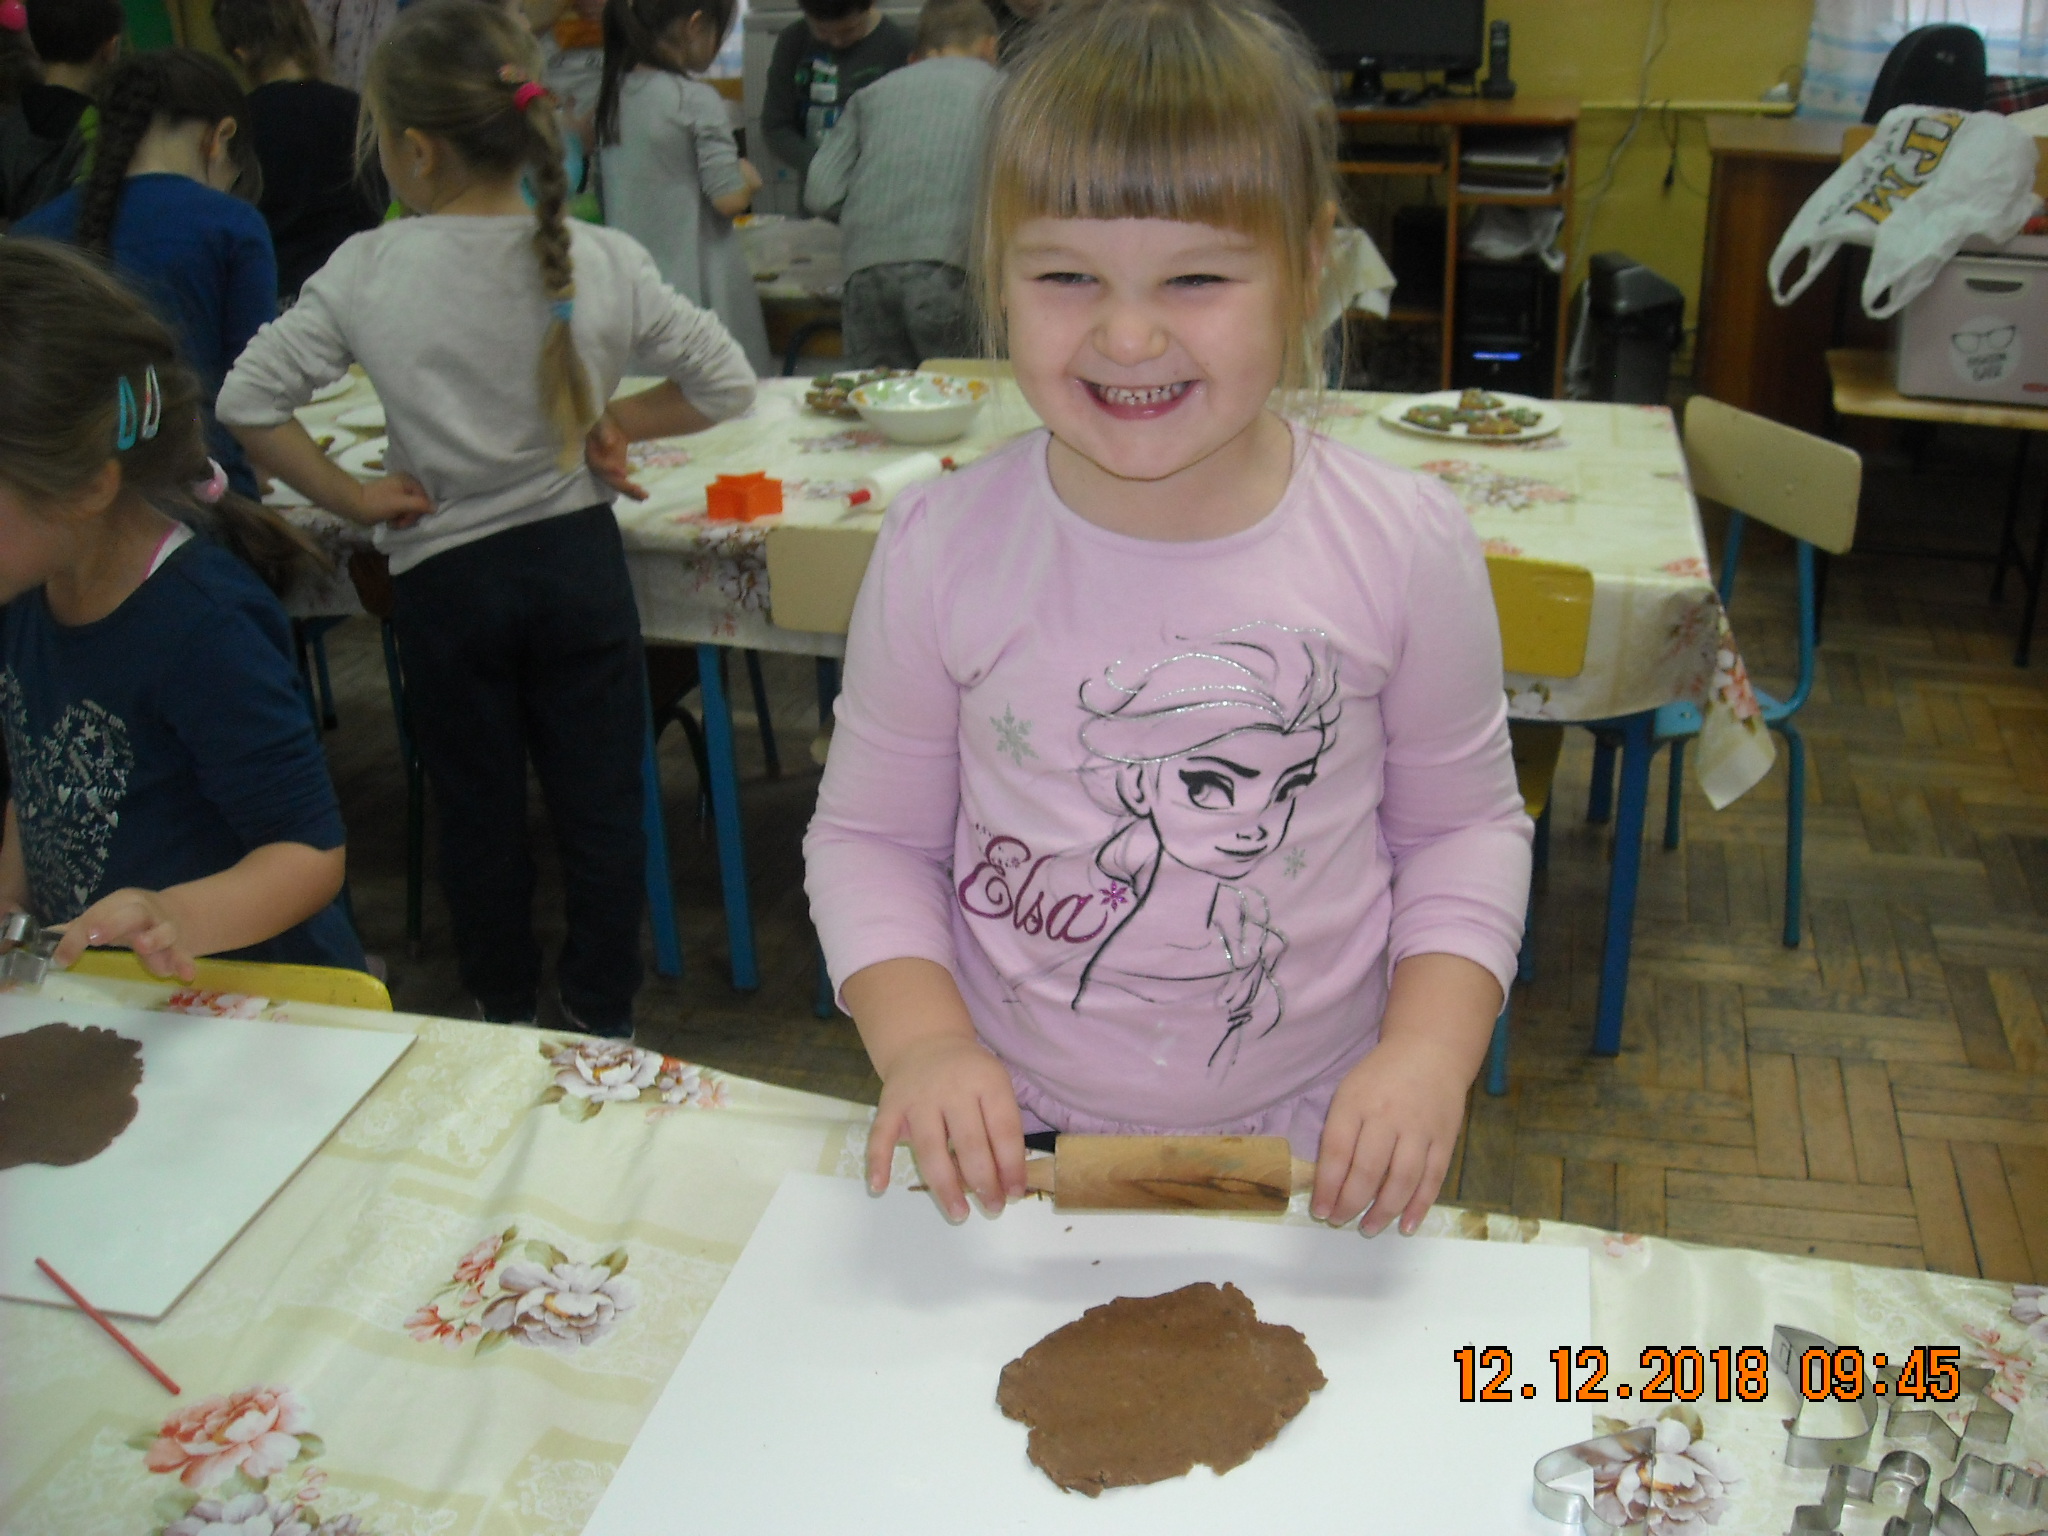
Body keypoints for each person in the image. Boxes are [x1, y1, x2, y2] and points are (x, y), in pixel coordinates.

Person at [803, 0, 1531, 1234]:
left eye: (1194, 277)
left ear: (1307, 265)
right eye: (1063, 276)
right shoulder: (939, 546)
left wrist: (1425, 1054)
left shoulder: (1403, 543)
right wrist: (923, 1044)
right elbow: (869, 839)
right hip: (1013, 1134)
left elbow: (1462, 832)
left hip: (1323, 1136)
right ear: (997, 272)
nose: (1127, 334)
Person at [219, 0, 755, 1036]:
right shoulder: (600, 257)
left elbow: (249, 402)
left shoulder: (369, 268)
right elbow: (725, 382)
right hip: (575, 567)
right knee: (602, 804)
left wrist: (350, 497)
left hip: (446, 583)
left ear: (415, 150)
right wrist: (611, 419)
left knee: (476, 809)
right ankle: (600, 1010)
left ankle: (501, 1004)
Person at [0, 240, 364, 977]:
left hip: (253, 1003)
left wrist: (175, 916)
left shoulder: (204, 627)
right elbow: (38, 788)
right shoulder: (30, 593)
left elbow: (309, 851)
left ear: (86, 488)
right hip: (116, 998)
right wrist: (9, 903)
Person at [12, 50, 275, 503]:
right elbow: (256, 399)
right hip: (209, 497)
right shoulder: (232, 225)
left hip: (70, 503)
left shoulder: (30, 237)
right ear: (219, 138)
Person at [804, 0, 997, 369]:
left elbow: (820, 193)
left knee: (878, 396)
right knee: (959, 393)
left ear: (915, 56)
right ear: (990, 46)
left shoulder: (872, 94)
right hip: (953, 269)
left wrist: (875, 216)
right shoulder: (1005, 94)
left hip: (866, 271)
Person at [595, 0, 771, 375]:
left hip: (635, 291)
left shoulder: (612, 95)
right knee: (720, 393)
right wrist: (747, 177)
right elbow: (728, 199)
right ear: (694, 25)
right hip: (699, 286)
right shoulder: (693, 99)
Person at [214, 0, 384, 302]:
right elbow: (374, 203)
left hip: (274, 291)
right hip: (351, 284)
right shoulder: (352, 108)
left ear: (240, 53)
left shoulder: (236, 124)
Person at [0, 0, 122, 225]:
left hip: (19, 246)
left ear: (33, 43)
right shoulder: (99, 129)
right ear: (109, 49)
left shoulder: (9, 125)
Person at [760, 0, 908, 182]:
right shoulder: (793, 41)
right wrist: (823, 165)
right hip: (819, 188)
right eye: (821, 30)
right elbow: (776, 126)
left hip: (879, 184)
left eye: (849, 30)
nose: (836, 42)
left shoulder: (899, 46)